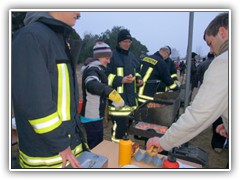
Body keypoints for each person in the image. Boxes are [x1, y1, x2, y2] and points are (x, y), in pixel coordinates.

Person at [12, 12, 89, 168]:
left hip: (67, 151)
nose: (79, 12)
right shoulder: (31, 36)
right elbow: (34, 102)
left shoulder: (58, 39)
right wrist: (60, 143)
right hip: (50, 158)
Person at [146, 13, 229, 157]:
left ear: (222, 32)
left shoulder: (224, 62)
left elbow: (199, 114)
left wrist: (164, 142)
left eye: (210, 43)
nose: (211, 50)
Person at [80, 42, 124, 149]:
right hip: (91, 117)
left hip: (96, 116)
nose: (108, 61)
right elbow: (91, 84)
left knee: (98, 144)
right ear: (98, 57)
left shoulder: (98, 69)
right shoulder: (92, 70)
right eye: (106, 58)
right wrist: (111, 93)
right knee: (95, 147)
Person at [106, 29, 143, 142]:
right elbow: (104, 76)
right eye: (125, 41)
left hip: (130, 100)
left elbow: (137, 71)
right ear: (119, 42)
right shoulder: (111, 56)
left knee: (127, 129)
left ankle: (123, 150)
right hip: (117, 99)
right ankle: (115, 151)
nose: (128, 44)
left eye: (129, 41)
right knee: (119, 130)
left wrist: (139, 79)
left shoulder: (131, 56)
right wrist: (120, 80)